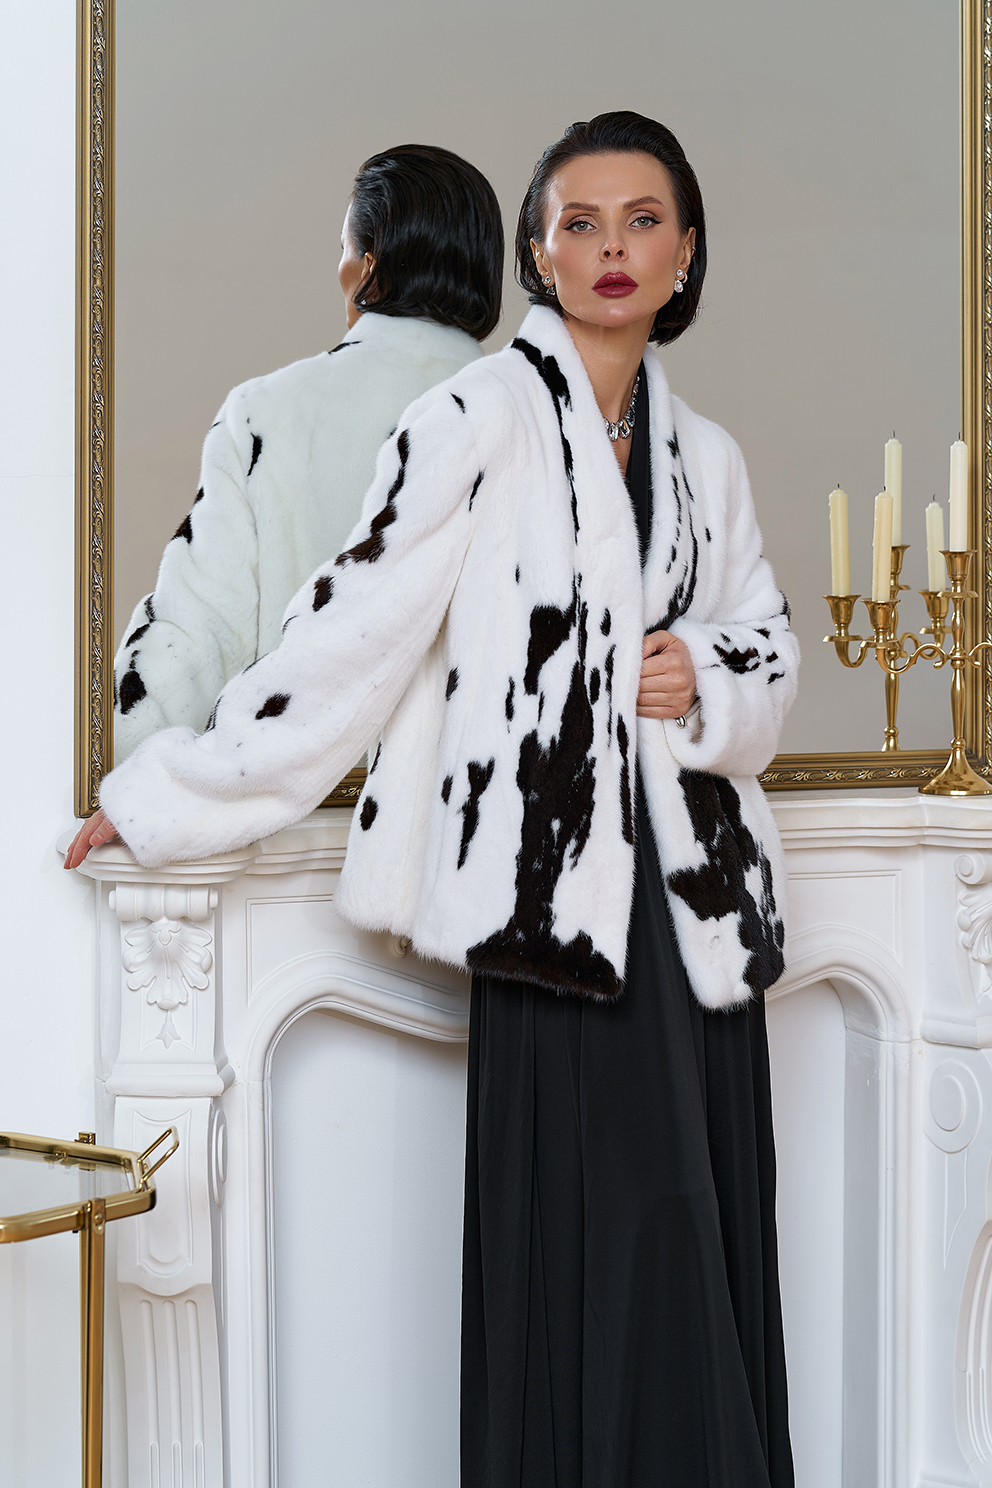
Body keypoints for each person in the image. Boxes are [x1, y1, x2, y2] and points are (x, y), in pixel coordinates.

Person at [69, 111, 799, 1487]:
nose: (612, 248)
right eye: (579, 222)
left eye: (643, 220)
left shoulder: (706, 456)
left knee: (702, 1237)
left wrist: (704, 672)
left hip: (698, 910)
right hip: (552, 913)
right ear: (536, 251)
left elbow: (767, 643)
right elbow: (346, 636)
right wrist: (166, 798)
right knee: (597, 1251)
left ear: (687, 252)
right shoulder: (471, 418)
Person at [112, 143, 503, 763]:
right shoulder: (537, 416)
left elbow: (197, 633)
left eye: (343, 248)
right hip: (488, 809)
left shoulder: (264, 413)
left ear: (367, 269)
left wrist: (126, 774)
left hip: (300, 804)